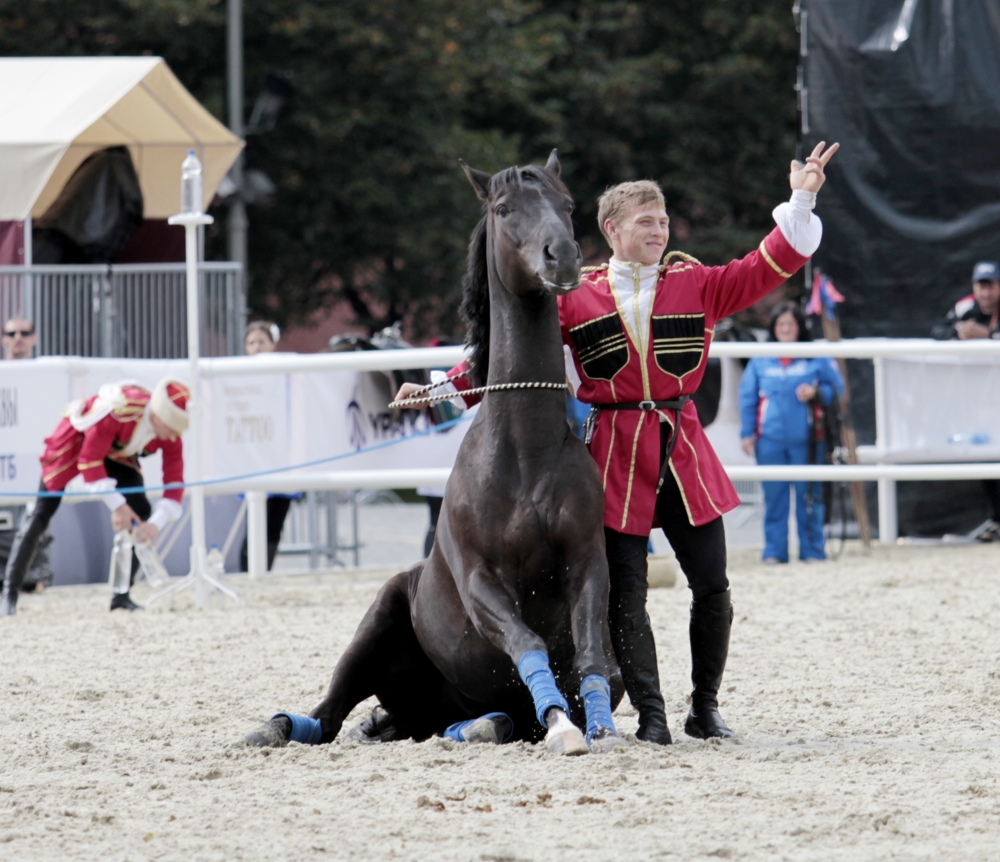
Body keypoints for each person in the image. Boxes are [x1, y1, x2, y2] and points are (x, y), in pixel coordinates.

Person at [397, 141, 839, 744]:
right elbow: (510, 360)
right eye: (645, 222)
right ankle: (652, 716)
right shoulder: (576, 295)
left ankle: (705, 707)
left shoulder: (699, 282)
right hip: (616, 455)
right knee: (626, 594)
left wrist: (802, 197)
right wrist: (437, 389)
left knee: (712, 585)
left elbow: (769, 265)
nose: (658, 230)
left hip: (684, 452)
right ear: (611, 229)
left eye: (662, 221)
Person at [1, 378, 189, 616]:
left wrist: (154, 525)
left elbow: (175, 484)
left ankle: (121, 595)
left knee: (141, 511)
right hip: (76, 442)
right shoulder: (120, 412)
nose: (175, 434)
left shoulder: (172, 433)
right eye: (172, 427)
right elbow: (89, 462)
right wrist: (118, 506)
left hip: (117, 452)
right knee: (41, 513)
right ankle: (9, 594)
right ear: (160, 417)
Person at [739, 302, 844, 563]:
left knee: (810, 498)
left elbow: (837, 388)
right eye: (781, 324)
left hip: (808, 441)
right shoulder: (761, 358)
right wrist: (746, 432)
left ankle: (812, 550)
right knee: (774, 499)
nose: (786, 329)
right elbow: (748, 397)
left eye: (791, 324)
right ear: (774, 328)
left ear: (800, 327)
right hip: (769, 441)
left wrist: (817, 393)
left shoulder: (814, 355)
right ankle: (775, 551)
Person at [931, 261, 1000, 540]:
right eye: (981, 286)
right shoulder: (963, 308)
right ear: (974, 287)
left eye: (991, 285)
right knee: (985, 458)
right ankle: (996, 519)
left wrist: (990, 336)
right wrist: (958, 334)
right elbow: (936, 331)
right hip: (977, 401)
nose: (986, 292)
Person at [0, 317, 56, 592]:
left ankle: (34, 577)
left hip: (34, 461)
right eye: (12, 333)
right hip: (6, 460)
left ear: (34, 338)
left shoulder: (42, 376)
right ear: (4, 339)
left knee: (34, 521)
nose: (18, 337)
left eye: (25, 332)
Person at [240, 321, 296, 570]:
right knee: (253, 518)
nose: (256, 347)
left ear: (273, 344)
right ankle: (249, 569)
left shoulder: (286, 374)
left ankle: (266, 568)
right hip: (254, 458)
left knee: (276, 520)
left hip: (283, 459)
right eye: (251, 343)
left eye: (261, 341)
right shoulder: (238, 378)